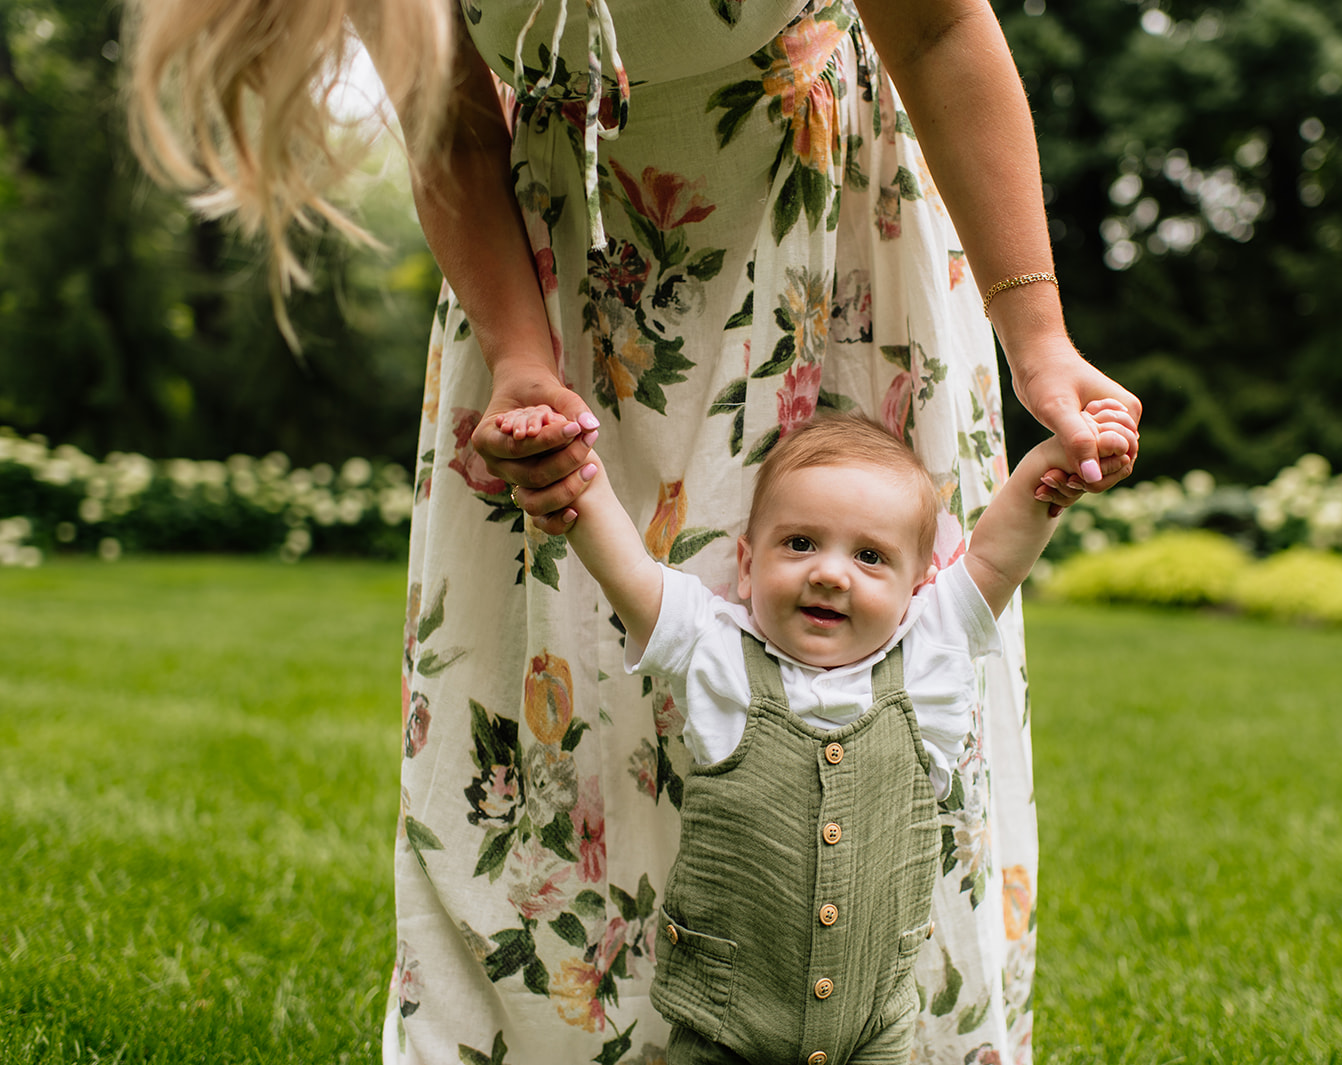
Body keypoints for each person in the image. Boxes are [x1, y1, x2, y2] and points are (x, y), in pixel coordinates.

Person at [124, 0, 1144, 1062]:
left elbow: (935, 32)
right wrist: (520, 354)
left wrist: (1040, 342)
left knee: (884, 687)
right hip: (552, 262)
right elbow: (454, 122)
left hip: (827, 225)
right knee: (577, 696)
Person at [492, 406, 1134, 1065]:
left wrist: (1054, 463)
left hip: (871, 1032)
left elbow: (997, 557)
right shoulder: (716, 653)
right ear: (746, 565)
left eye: (869, 555)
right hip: (722, 1028)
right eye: (799, 543)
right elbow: (628, 571)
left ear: (917, 587)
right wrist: (575, 476)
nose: (830, 572)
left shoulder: (928, 657)